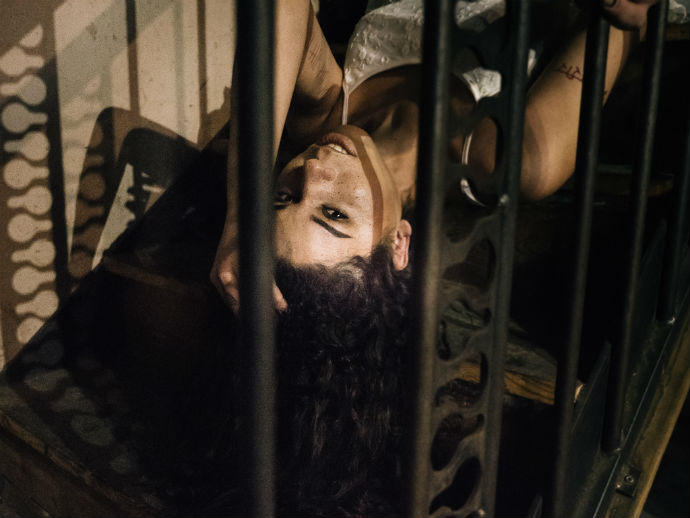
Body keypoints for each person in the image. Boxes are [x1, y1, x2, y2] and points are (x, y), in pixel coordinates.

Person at [210, 0, 654, 312]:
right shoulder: (517, 160)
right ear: (399, 243)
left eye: (282, 197)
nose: (312, 171)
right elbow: (621, 21)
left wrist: (239, 217)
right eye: (334, 213)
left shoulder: (323, 118)